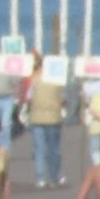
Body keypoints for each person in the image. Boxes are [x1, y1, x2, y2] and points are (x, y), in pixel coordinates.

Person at [27, 58, 66, 188]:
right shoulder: (56, 80)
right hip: (53, 117)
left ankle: (41, 178)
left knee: (39, 149)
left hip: (37, 117)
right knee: (53, 148)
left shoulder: (35, 80)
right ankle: (54, 177)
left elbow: (29, 98)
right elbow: (63, 99)